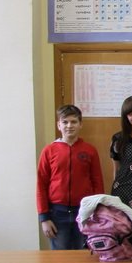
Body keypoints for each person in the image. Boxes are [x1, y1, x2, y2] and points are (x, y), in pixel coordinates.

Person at [37, 105, 104, 250]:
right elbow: (41, 185)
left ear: (80, 124)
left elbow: (97, 182)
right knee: (60, 259)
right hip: (57, 213)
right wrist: (44, 218)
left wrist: (97, 211)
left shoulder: (90, 150)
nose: (69, 126)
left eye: (74, 122)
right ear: (58, 125)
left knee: (84, 256)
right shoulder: (49, 151)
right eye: (65, 122)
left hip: (84, 212)